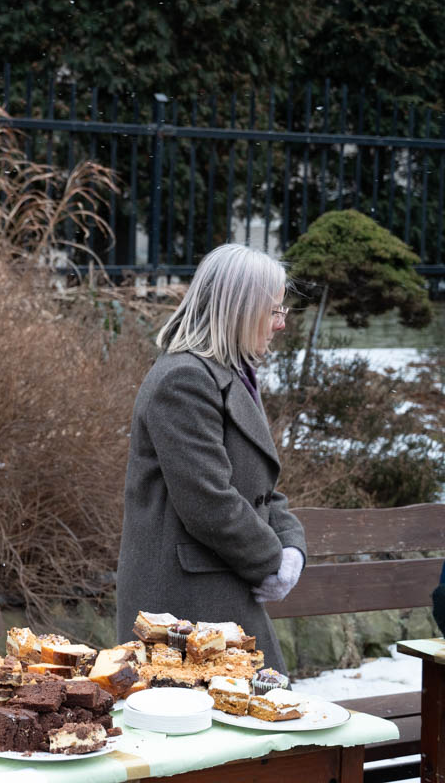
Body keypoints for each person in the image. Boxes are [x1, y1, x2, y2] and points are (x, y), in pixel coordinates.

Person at [115, 243, 307, 675]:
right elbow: (208, 501)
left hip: (215, 587)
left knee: (261, 723)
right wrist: (271, 561)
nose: (279, 324)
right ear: (241, 309)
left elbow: (260, 489)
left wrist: (292, 548)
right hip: (182, 606)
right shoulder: (184, 379)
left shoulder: (229, 374)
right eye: (274, 311)